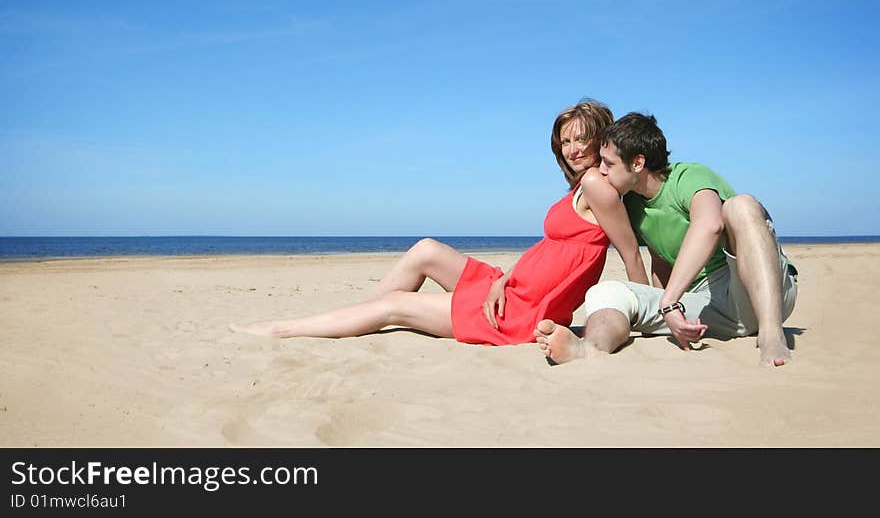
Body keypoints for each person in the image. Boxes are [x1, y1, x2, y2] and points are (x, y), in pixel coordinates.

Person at [229, 99, 649, 345]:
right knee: (426, 249)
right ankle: (348, 317)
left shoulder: (596, 184)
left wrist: (646, 313)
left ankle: (284, 329)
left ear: (600, 139)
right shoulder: (580, 186)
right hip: (512, 289)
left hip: (518, 316)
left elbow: (629, 250)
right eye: (566, 140)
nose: (573, 148)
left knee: (395, 306)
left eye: (582, 138)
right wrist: (505, 279)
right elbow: (555, 253)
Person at [534, 112, 798, 367]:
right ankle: (590, 347)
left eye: (609, 163)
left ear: (637, 163)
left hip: (756, 292)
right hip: (709, 307)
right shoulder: (633, 205)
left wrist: (668, 302)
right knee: (607, 291)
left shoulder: (688, 177)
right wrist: (653, 307)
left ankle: (771, 334)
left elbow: (710, 225)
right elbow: (660, 262)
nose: (600, 170)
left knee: (741, 205)